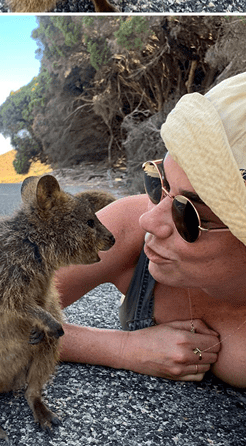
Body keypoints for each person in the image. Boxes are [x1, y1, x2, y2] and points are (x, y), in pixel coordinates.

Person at [56, 72, 246, 387]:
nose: (151, 221)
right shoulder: (127, 227)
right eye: (159, 185)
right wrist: (123, 348)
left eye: (189, 214)